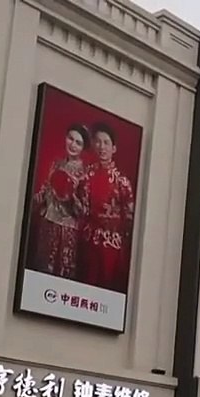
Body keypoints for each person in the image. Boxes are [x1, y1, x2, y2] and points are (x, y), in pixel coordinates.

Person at [76, 122, 135, 292]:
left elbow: (129, 218)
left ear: (114, 148)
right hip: (88, 241)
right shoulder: (86, 175)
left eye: (106, 143)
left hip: (112, 245)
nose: (102, 147)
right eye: (98, 142)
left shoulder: (122, 182)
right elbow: (81, 210)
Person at [30, 124, 88, 278]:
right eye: (71, 139)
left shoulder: (85, 173)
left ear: (83, 148)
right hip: (47, 222)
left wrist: (71, 194)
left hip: (67, 230)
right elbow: (45, 190)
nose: (73, 145)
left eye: (78, 143)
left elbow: (84, 211)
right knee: (41, 269)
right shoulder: (56, 163)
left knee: (61, 274)